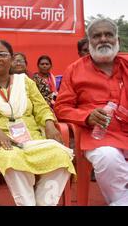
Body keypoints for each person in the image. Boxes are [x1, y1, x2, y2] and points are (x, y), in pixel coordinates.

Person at [0, 39, 75, 206]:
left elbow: (41, 107)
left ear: (11, 58)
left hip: (32, 138)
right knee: (13, 158)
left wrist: (50, 124)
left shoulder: (25, 82)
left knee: (62, 155)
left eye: (3, 54)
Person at [55, 18, 128, 206]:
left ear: (117, 39)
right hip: (99, 136)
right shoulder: (75, 70)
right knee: (108, 158)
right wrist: (86, 116)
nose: (103, 39)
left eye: (108, 35)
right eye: (97, 36)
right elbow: (61, 108)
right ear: (89, 41)